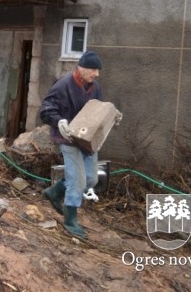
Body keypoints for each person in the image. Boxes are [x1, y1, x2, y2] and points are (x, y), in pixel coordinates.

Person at [38, 50, 122, 239]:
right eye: (93, 70)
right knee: (77, 181)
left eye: (98, 70)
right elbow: (46, 109)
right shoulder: (63, 85)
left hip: (88, 140)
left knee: (91, 179)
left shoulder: (95, 87)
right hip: (68, 138)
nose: (96, 74)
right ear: (81, 68)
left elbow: (98, 111)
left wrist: (112, 116)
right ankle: (70, 220)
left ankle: (54, 192)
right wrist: (59, 121)